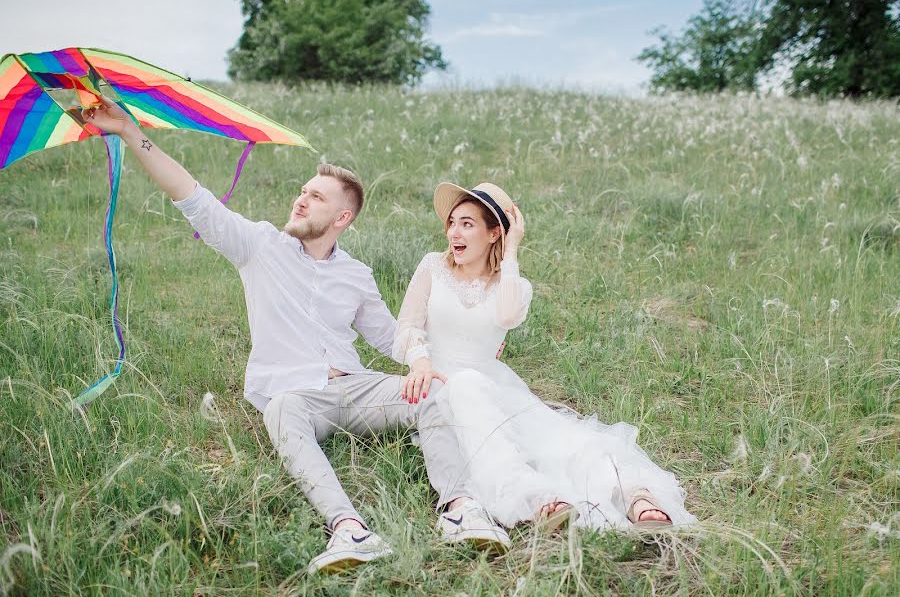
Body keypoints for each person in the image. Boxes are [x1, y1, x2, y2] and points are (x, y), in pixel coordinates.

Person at [83, 97, 510, 575]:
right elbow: (192, 195)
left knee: (431, 390)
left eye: (316, 197)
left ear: (342, 218)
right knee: (283, 408)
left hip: (356, 386)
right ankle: (349, 527)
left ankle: (459, 509)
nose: (300, 199)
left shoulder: (356, 273)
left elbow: (391, 336)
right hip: (296, 393)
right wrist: (127, 131)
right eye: (302, 191)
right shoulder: (259, 245)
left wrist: (424, 359)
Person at [393, 181, 696, 532]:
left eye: (467, 224)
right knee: (484, 420)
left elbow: (506, 317)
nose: (453, 233)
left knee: (555, 440)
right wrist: (420, 362)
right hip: (440, 386)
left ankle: (631, 492)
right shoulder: (433, 266)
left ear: (494, 234)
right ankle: (533, 496)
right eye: (452, 222)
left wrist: (511, 254)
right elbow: (406, 326)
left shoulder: (515, 285)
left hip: (492, 381)